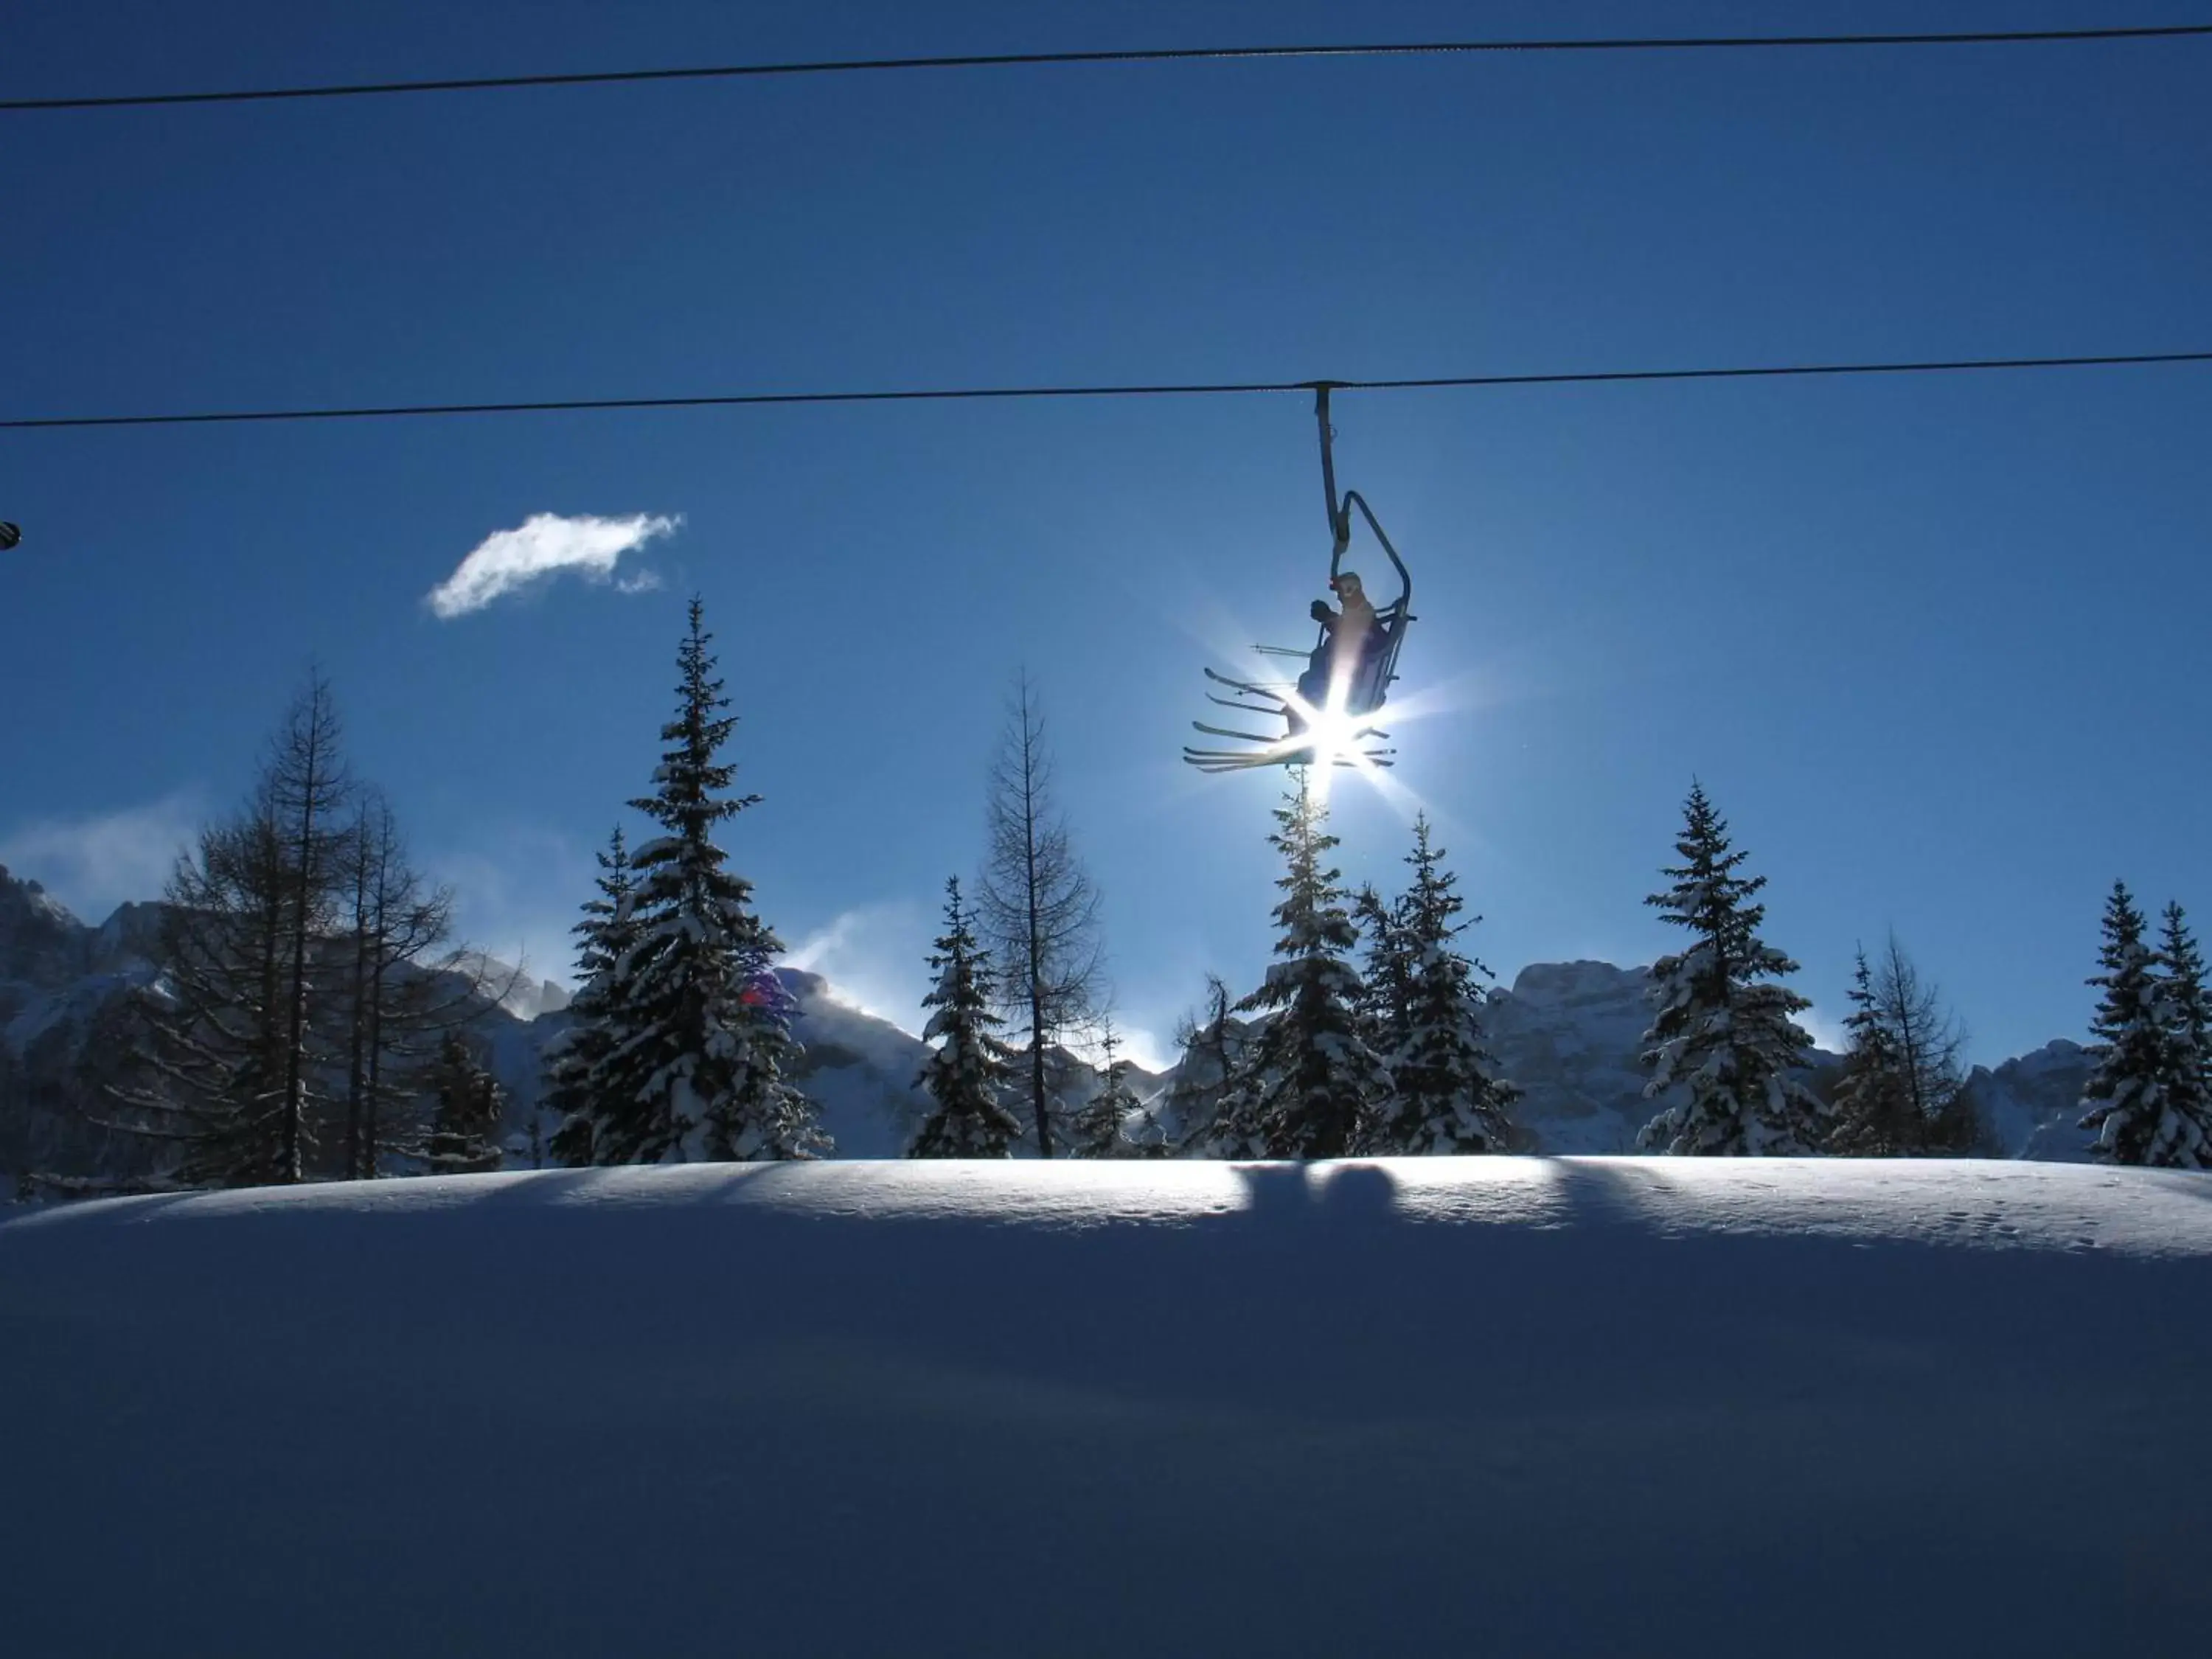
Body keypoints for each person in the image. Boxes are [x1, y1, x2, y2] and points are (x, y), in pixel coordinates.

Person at [1293, 570, 1382, 723]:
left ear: (1351, 590)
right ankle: (1300, 722)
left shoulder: (1364, 613)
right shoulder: (1354, 613)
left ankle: (1307, 718)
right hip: (1328, 678)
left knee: (1309, 680)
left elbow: (1355, 632)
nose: (1339, 598)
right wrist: (1326, 616)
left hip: (1346, 683)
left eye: (1341, 593)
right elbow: (1345, 628)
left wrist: (1327, 616)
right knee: (1308, 677)